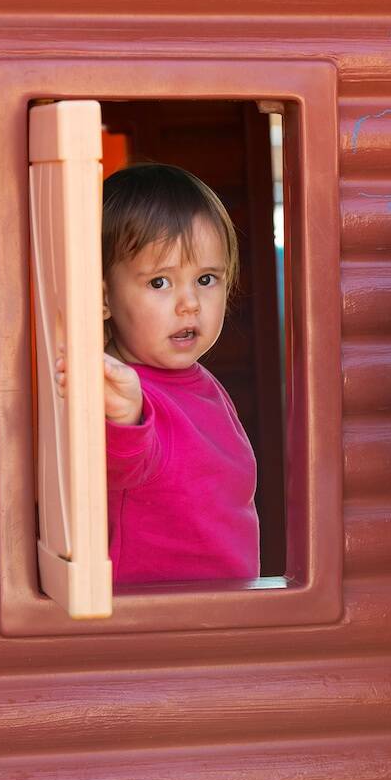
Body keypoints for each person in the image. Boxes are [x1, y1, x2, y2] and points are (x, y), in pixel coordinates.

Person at [57, 163, 258, 584]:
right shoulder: (120, 389)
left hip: (224, 615)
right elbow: (118, 465)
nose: (189, 303)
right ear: (103, 296)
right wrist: (122, 416)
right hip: (156, 624)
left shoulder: (202, 384)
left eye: (206, 279)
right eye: (160, 283)